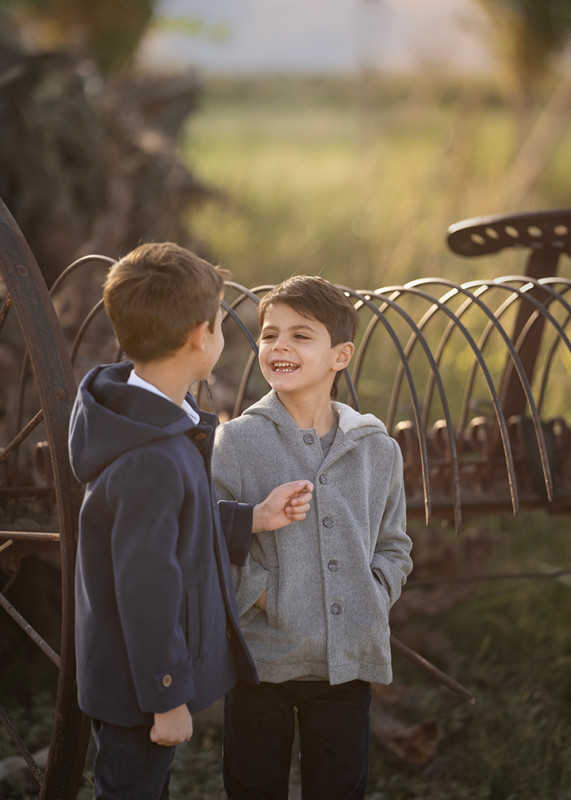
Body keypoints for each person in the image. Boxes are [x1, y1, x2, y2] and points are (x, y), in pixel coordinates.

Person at [68, 243, 314, 800]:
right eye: (224, 324)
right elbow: (147, 586)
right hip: (141, 688)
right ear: (200, 336)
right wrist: (166, 696)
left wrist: (250, 519)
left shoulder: (148, 422)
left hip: (140, 678)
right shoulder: (151, 457)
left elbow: (170, 531)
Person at [212, 275, 413, 800]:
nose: (280, 346)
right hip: (263, 659)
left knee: (339, 787)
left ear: (340, 356)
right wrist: (263, 595)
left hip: (347, 664)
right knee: (254, 786)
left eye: (301, 336)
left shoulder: (377, 449)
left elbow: (394, 544)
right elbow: (210, 535)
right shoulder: (234, 443)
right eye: (270, 334)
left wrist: (375, 592)